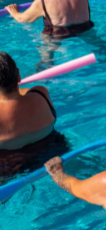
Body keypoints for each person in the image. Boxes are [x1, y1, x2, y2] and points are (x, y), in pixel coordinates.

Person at [0, 51, 67, 182]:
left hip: (8, 168)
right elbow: (24, 93)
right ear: (18, 75)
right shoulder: (41, 94)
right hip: (53, 153)